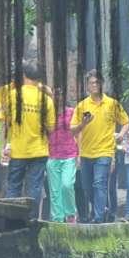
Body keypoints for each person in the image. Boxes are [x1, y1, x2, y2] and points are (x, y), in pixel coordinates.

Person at [0, 62, 54, 216]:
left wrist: (3, 148)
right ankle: (32, 221)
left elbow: (5, 125)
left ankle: (10, 221)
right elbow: (51, 128)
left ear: (23, 76)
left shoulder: (12, 96)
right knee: (34, 188)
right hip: (39, 151)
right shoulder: (46, 100)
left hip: (17, 151)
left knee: (14, 186)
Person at [71, 70, 128, 222]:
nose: (94, 85)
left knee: (99, 184)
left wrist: (121, 134)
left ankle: (98, 218)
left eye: (97, 82)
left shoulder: (112, 104)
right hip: (86, 153)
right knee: (87, 188)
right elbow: (72, 130)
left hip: (105, 152)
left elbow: (125, 122)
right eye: (91, 83)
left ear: (102, 84)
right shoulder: (82, 105)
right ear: (87, 86)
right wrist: (83, 123)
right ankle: (103, 208)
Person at [45, 94, 79, 222]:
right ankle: (57, 219)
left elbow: (78, 132)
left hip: (69, 154)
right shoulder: (47, 114)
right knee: (55, 191)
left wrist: (79, 154)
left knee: (67, 185)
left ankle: (70, 214)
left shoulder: (71, 112)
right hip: (52, 155)